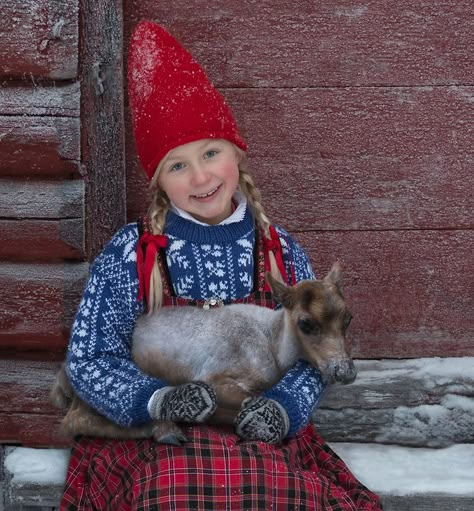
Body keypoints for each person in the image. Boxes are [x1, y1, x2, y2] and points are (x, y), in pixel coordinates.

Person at [59, 20, 382, 511]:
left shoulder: (278, 251)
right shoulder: (134, 252)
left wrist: (282, 409)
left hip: (257, 426)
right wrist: (156, 400)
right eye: (177, 164)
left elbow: (315, 352)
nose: (201, 175)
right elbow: (90, 358)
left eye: (211, 152)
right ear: (159, 181)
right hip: (158, 432)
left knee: (269, 487)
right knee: (174, 490)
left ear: (236, 155)